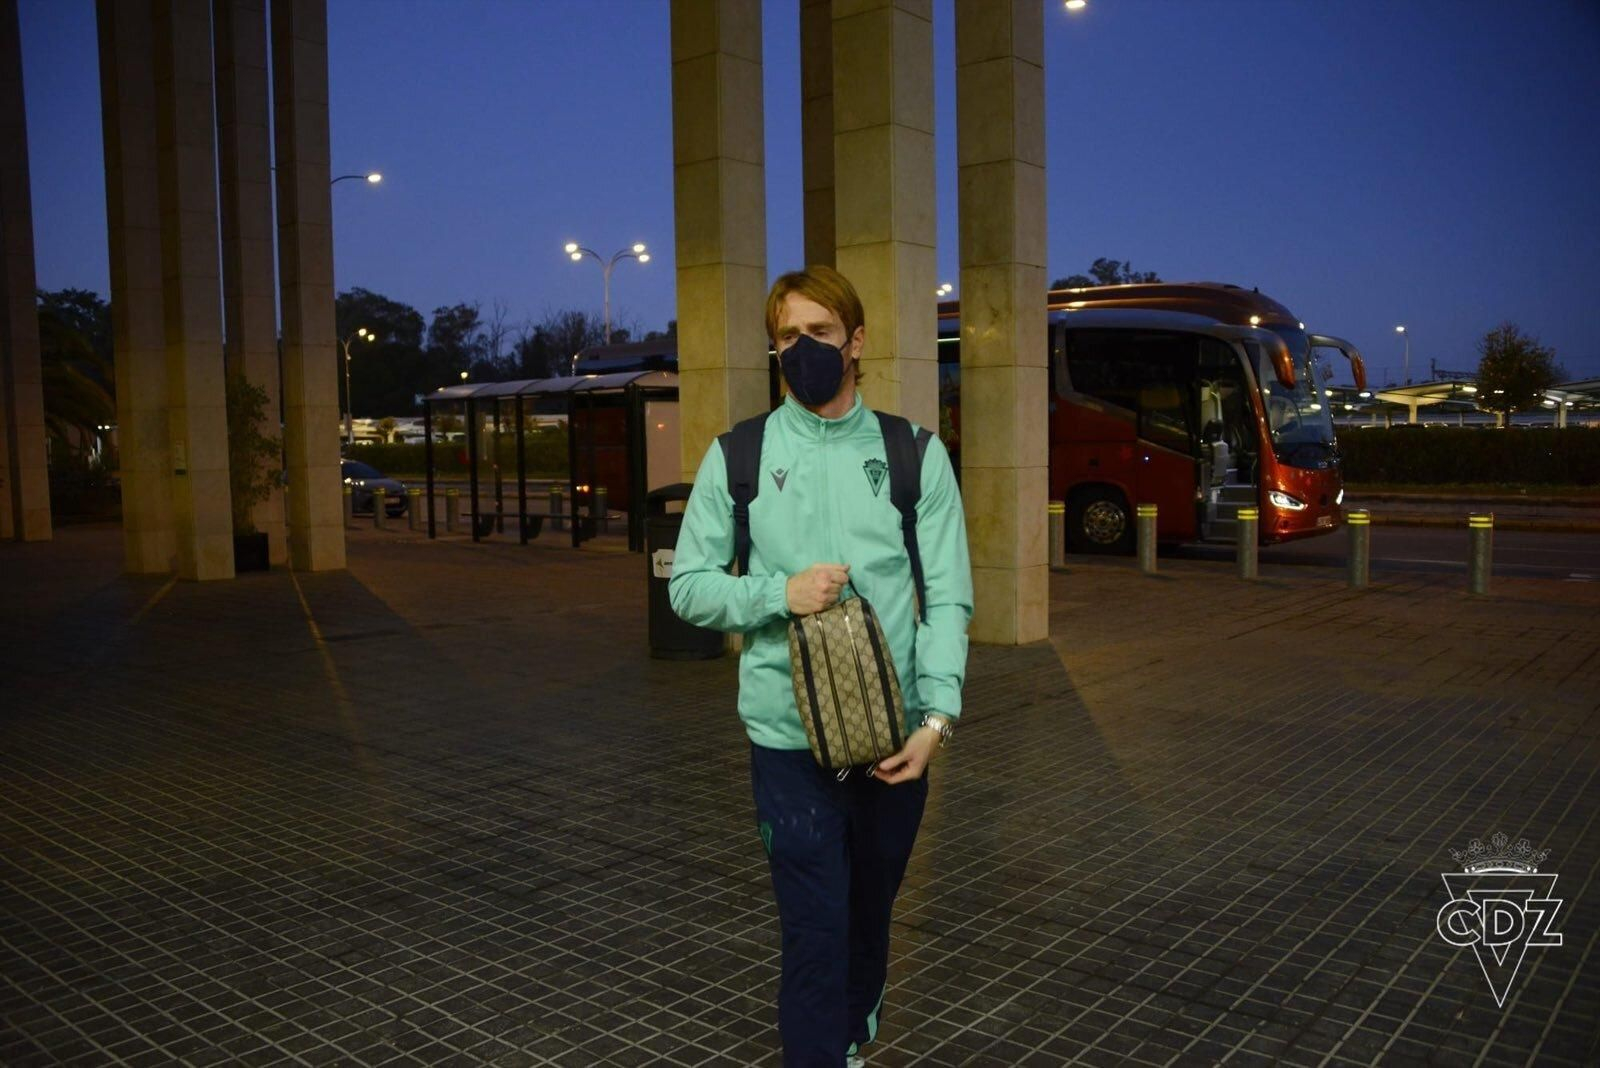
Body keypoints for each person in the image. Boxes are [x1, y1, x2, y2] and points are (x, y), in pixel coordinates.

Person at [669, 265, 973, 1066]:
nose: (803, 349)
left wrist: (936, 720)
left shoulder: (914, 456)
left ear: (857, 341)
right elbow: (690, 587)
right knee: (815, 928)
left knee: (870, 919)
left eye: (821, 334)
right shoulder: (738, 456)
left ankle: (848, 1039)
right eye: (789, 337)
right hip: (788, 747)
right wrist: (779, 592)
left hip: (893, 744)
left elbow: (947, 600)